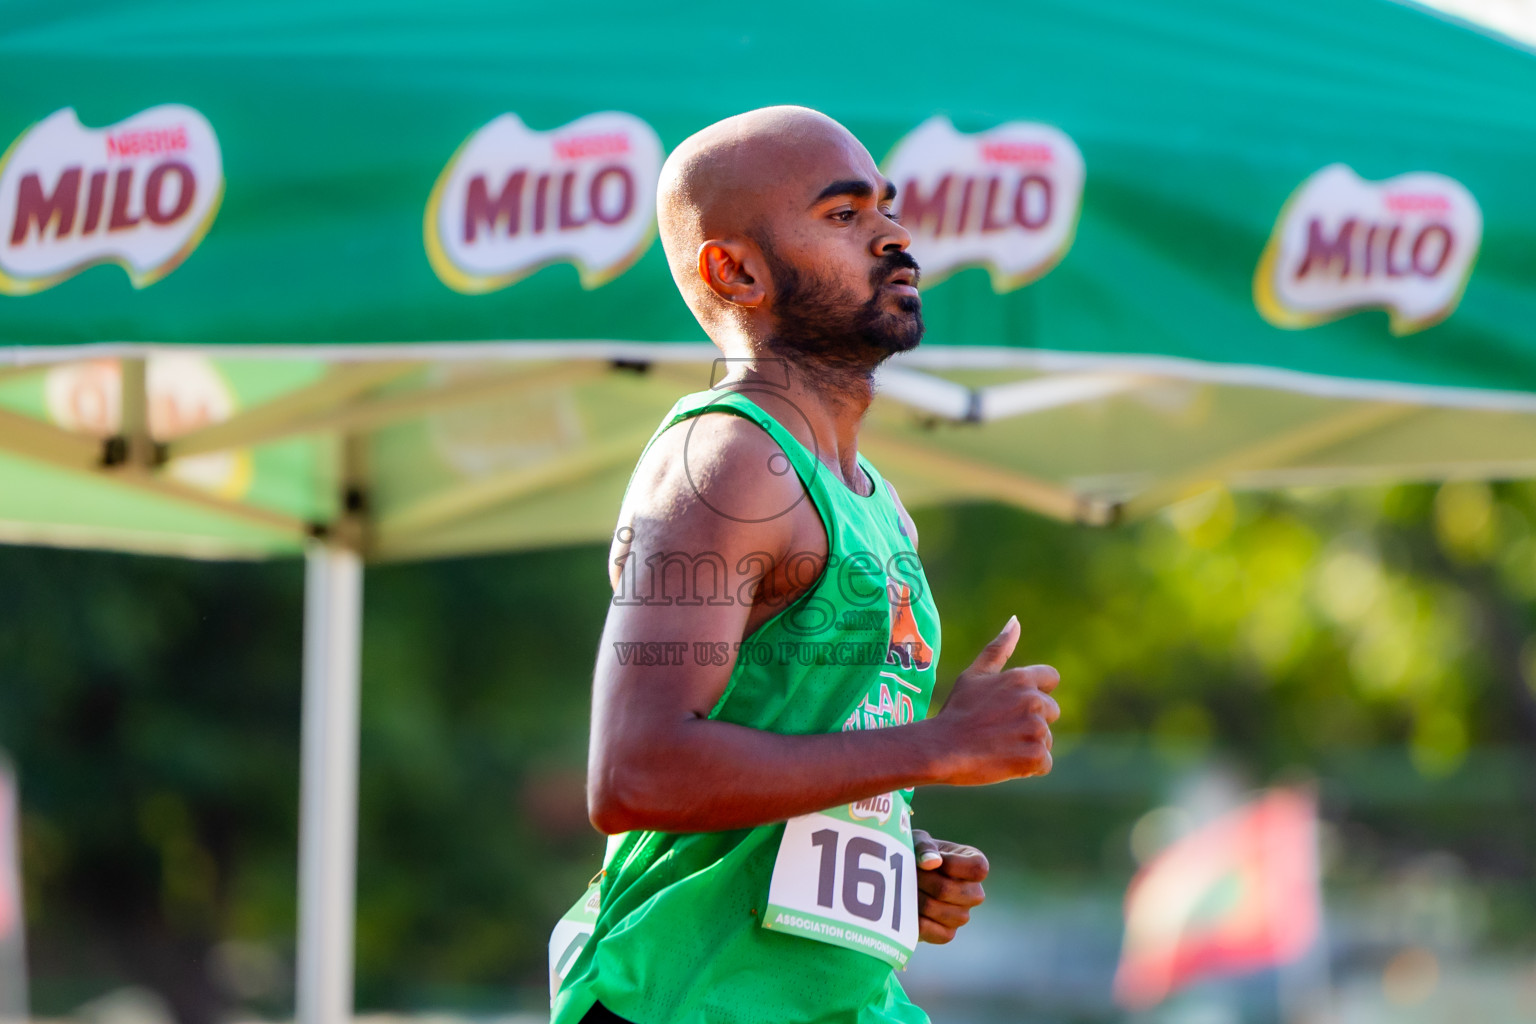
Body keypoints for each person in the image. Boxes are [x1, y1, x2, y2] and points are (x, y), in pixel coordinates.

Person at [549, 106, 1061, 1024]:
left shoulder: (877, 502)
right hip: (685, 1001)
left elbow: (795, 743)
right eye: (844, 214)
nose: (893, 236)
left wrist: (892, 848)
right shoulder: (729, 461)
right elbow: (637, 772)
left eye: (886, 208)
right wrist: (937, 747)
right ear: (736, 271)